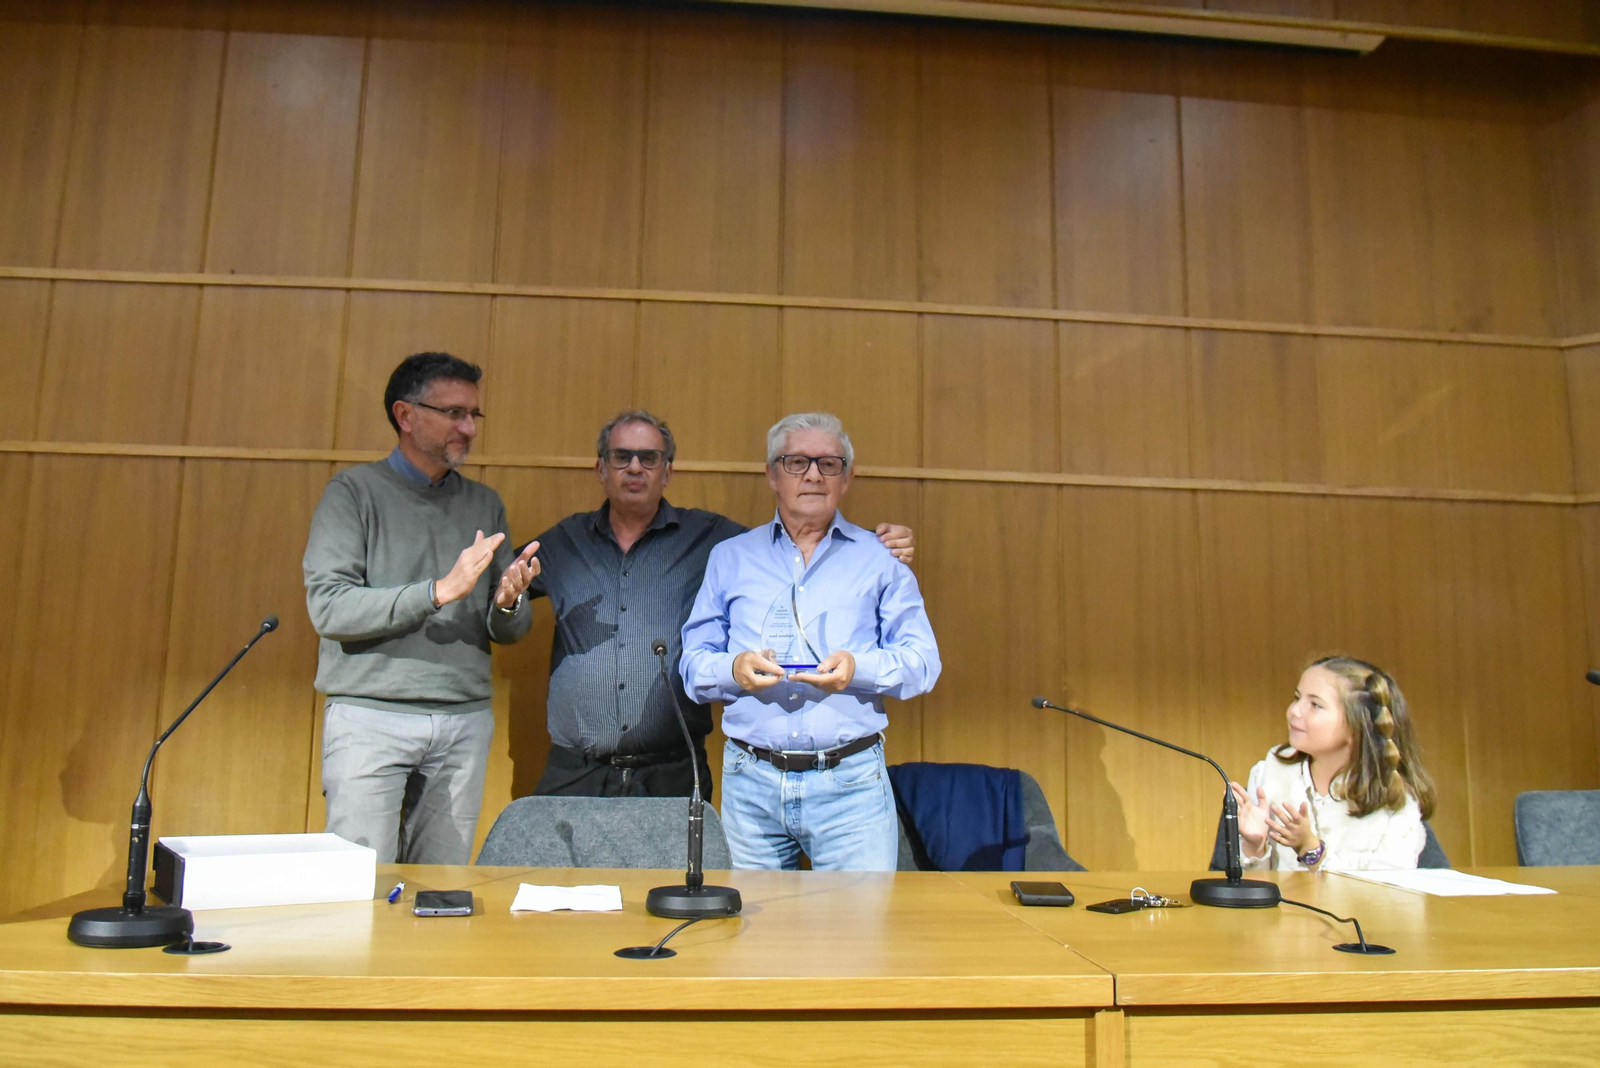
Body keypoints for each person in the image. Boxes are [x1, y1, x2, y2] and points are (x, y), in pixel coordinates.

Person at [521, 410, 915, 800]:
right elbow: (501, 603)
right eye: (622, 457)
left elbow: (797, 540)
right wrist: (507, 603)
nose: (635, 467)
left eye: (650, 458)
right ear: (601, 468)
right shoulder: (564, 542)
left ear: (668, 471)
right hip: (575, 769)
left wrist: (871, 544)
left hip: (671, 770)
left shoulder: (713, 539)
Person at [303, 352, 540, 864]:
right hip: (371, 717)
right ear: (405, 415)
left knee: (442, 892)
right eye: (454, 412)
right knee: (359, 888)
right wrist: (437, 591)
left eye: (474, 414)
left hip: (462, 721)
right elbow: (330, 609)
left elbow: (510, 631)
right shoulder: (352, 493)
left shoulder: (484, 503)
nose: (469, 428)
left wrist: (508, 602)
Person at [680, 412, 940, 870]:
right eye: (797, 462)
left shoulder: (883, 560)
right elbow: (692, 666)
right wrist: (733, 669)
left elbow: (922, 663)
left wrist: (859, 669)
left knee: (857, 938)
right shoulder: (730, 558)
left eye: (829, 464)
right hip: (751, 782)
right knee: (751, 936)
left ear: (848, 478)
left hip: (851, 785)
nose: (814, 475)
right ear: (771, 475)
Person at [1231, 655, 1437, 872]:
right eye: (1297, 697)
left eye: (1315, 705)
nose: (1294, 711)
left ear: (1355, 726)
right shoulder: (1270, 772)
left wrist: (1311, 850)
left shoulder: (1393, 798)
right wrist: (1254, 847)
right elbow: (1256, 893)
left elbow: (1389, 897)